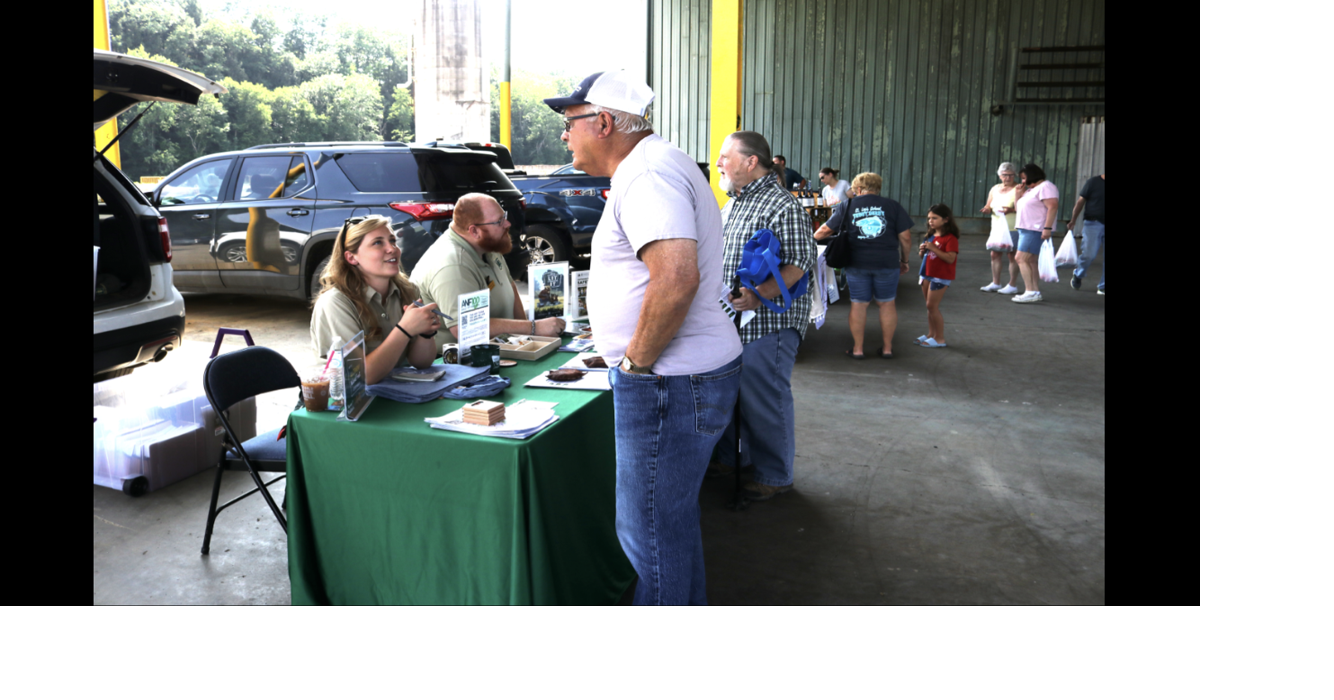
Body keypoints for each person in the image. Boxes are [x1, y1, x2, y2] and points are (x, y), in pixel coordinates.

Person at [544, 70, 742, 606]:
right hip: (682, 376)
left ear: (603, 121)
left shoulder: (647, 174)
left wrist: (632, 364)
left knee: (648, 534)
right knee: (669, 524)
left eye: (570, 122)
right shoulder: (654, 165)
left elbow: (676, 278)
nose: (565, 135)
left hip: (667, 381)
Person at [711, 130, 817, 502]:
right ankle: (730, 458)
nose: (719, 162)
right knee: (729, 393)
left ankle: (775, 475)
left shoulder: (782, 204)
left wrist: (758, 296)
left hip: (768, 323)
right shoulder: (735, 202)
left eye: (726, 155)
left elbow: (800, 264)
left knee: (764, 397)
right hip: (732, 320)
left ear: (750, 162)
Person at [410, 192, 565, 347]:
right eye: (499, 221)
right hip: (453, 363)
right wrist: (533, 328)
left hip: (500, 348)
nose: (507, 224)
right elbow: (466, 328)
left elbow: (510, 287)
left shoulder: (486, 244)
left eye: (504, 216)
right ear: (474, 231)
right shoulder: (453, 264)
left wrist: (529, 337)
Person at [310, 216, 442, 385]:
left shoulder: (408, 290)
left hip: (396, 390)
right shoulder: (335, 303)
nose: (392, 249)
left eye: (392, 240)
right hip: (344, 402)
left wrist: (425, 332)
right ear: (351, 258)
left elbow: (421, 363)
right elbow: (363, 376)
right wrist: (405, 329)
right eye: (378, 243)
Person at [814, 172, 913, 359]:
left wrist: (809, 241)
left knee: (859, 304)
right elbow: (906, 237)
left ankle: (858, 349)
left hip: (857, 263)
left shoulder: (848, 205)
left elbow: (825, 230)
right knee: (886, 304)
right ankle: (887, 349)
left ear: (858, 189)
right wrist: (904, 261)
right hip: (887, 263)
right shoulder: (893, 206)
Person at [1012, 163, 1059, 303]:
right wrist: (1017, 194)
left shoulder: (1046, 187)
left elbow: (1053, 207)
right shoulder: (1030, 190)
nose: (1023, 181)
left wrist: (1047, 228)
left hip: (1035, 229)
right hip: (1025, 228)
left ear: (1032, 175)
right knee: (1031, 260)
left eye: (1024, 178)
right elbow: (1017, 208)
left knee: (1020, 258)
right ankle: (1035, 291)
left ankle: (1030, 291)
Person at [915, 205, 960, 348]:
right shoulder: (930, 236)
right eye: (929, 218)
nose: (931, 221)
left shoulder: (950, 238)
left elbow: (950, 259)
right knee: (929, 307)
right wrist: (922, 251)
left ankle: (940, 338)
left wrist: (933, 248)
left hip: (940, 276)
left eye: (935, 218)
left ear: (946, 219)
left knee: (932, 306)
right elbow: (925, 256)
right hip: (926, 274)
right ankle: (931, 334)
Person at [979, 162, 1024, 294]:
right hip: (997, 227)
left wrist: (1011, 210)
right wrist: (986, 209)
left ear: (1015, 175)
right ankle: (996, 282)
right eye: (1005, 175)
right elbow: (988, 205)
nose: (1008, 178)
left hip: (1012, 227)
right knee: (995, 254)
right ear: (999, 175)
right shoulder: (995, 188)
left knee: (1012, 255)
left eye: (1011, 175)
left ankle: (1012, 284)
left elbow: (1024, 208)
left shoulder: (1019, 188)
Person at [1068, 173, 1105, 295]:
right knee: (1089, 254)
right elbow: (1080, 202)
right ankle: (1078, 273)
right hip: (1093, 222)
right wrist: (1073, 220)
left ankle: (1103, 286)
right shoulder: (1093, 182)